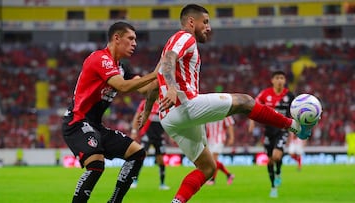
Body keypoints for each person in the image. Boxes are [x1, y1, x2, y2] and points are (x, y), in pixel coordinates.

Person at [139, 4, 313, 203]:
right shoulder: (184, 37)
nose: (208, 27)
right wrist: (171, 87)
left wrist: (146, 112)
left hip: (169, 118)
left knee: (208, 168)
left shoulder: (172, 45)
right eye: (205, 22)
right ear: (191, 22)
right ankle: (295, 126)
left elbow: (154, 81)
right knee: (246, 101)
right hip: (184, 105)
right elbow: (169, 60)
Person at [62, 22, 159, 203]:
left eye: (135, 40)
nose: (135, 43)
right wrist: (156, 73)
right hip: (77, 122)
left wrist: (166, 77)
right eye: (130, 38)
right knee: (96, 164)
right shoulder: (100, 58)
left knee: (137, 153)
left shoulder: (122, 67)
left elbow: (145, 89)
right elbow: (122, 86)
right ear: (116, 38)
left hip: (95, 126)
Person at [248, 70, 295, 198]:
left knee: (277, 156)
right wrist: (252, 122)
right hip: (268, 131)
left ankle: (278, 172)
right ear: (272, 80)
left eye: (282, 78)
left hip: (282, 130)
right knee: (269, 161)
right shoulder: (265, 94)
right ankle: (273, 187)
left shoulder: (290, 96)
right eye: (277, 78)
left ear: (285, 81)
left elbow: (296, 112)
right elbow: (254, 107)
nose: (280, 80)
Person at [129, 99, 170, 190]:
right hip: (147, 134)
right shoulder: (145, 102)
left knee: (161, 160)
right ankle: (134, 180)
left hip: (159, 136)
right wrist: (134, 131)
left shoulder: (165, 103)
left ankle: (162, 184)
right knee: (142, 156)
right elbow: (137, 116)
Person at [205, 116, 235, 185]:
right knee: (212, 160)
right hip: (210, 140)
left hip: (219, 138)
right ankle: (229, 175)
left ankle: (212, 180)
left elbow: (230, 124)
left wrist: (231, 137)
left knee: (214, 159)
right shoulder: (208, 109)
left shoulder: (224, 110)